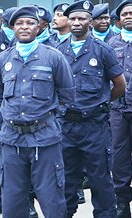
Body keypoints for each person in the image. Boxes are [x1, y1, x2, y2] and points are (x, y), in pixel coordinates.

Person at [0, 5, 75, 217]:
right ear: (12, 27)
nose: (24, 27)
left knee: (52, 200)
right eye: (19, 23)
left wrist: (47, 122)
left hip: (45, 139)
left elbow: (67, 97)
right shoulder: (3, 59)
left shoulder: (54, 57)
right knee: (12, 201)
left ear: (39, 27)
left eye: (30, 23)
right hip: (12, 140)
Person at [56, 1, 126, 217]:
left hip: (94, 126)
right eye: (73, 19)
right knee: (65, 180)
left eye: (82, 18)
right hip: (65, 126)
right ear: (68, 21)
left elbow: (120, 85)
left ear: (90, 21)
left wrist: (101, 103)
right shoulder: (57, 51)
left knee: (101, 180)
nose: (77, 23)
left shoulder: (103, 50)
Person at [107, 1, 132, 217]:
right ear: (118, 20)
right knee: (119, 159)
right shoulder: (110, 44)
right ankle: (122, 205)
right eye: (125, 14)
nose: (129, 16)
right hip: (118, 111)